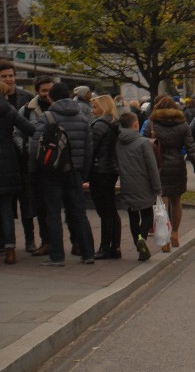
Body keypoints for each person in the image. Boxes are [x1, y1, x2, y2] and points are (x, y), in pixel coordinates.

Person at [29, 82, 96, 267]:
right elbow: (89, 148)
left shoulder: (47, 116)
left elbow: (36, 145)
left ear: (51, 97)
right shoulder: (82, 118)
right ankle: (88, 252)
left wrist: (34, 169)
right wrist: (84, 171)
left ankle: (57, 256)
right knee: (78, 212)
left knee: (53, 213)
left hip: (51, 172)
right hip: (75, 171)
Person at [144, 96, 195, 251]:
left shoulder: (152, 124)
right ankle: (175, 233)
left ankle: (164, 238)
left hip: (158, 166)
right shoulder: (182, 125)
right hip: (177, 164)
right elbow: (191, 147)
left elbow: (143, 145)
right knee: (176, 201)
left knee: (161, 204)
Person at [15, 75, 54, 255]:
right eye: (44, 91)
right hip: (36, 164)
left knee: (62, 205)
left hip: (57, 164)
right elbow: (18, 132)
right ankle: (45, 241)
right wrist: (25, 149)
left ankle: (72, 242)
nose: (47, 94)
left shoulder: (60, 108)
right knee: (40, 205)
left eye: (50, 90)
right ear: (37, 91)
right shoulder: (27, 110)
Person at [116, 112, 161, 261]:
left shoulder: (118, 142)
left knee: (133, 216)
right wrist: (157, 187)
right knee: (147, 214)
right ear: (135, 125)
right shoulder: (143, 143)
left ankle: (137, 242)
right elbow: (152, 167)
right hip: (144, 184)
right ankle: (142, 236)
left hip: (127, 184)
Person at [0, 81, 36, 264]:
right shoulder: (9, 110)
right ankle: (10, 249)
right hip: (8, 162)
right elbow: (31, 129)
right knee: (6, 208)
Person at [88, 95, 122, 259]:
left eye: (95, 107)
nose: (92, 110)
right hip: (111, 170)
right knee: (111, 210)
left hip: (99, 170)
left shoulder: (99, 125)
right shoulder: (114, 123)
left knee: (104, 211)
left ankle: (104, 247)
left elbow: (91, 149)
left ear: (103, 107)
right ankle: (115, 246)